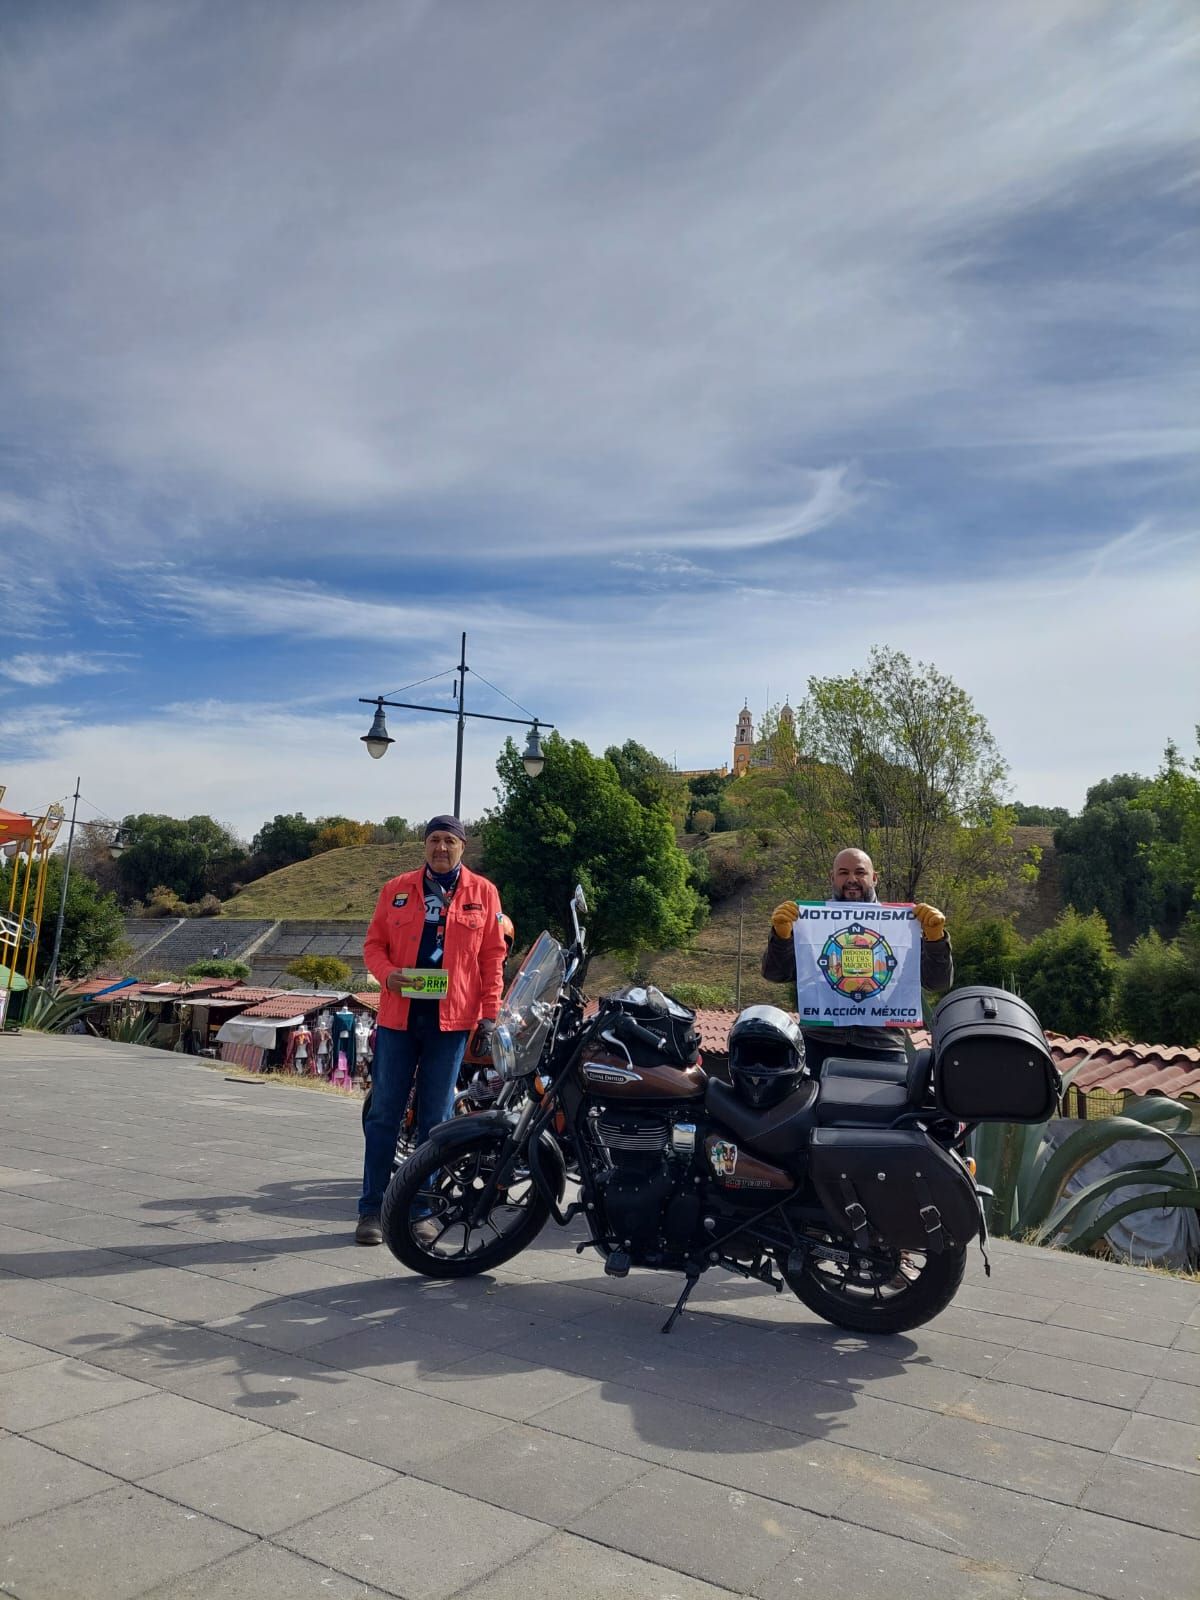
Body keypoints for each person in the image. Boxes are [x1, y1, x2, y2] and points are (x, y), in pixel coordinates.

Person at [356, 815, 506, 1244]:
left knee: (436, 1120)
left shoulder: (484, 893)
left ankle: (421, 1209)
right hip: (399, 1019)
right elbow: (373, 946)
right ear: (425, 845)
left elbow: (492, 958)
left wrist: (489, 1015)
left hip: (451, 1021)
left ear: (463, 847)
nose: (441, 848)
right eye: (434, 840)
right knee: (384, 1113)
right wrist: (388, 976)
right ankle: (371, 1211)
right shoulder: (397, 889)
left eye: (449, 842)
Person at [763, 847, 953, 1078]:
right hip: (818, 1042)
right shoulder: (807, 923)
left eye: (860, 872)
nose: (851, 879)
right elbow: (775, 974)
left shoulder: (904, 926)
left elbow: (938, 982)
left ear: (874, 878)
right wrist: (782, 937)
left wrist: (936, 940)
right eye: (843, 873)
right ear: (832, 878)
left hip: (883, 1045)